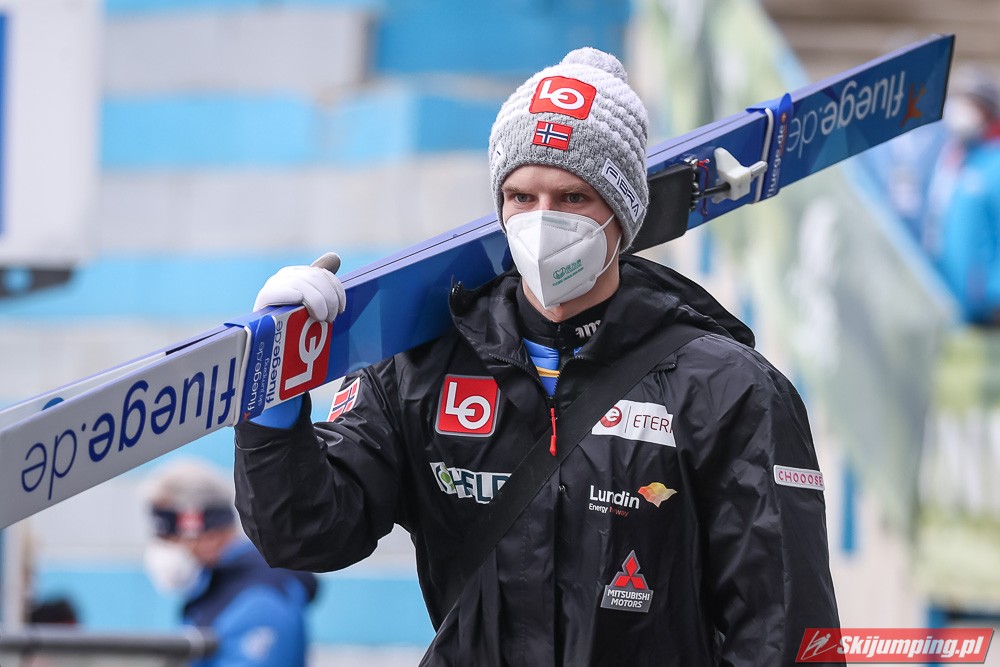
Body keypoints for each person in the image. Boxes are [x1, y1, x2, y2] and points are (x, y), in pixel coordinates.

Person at [235, 48, 840, 665]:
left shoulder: (728, 388)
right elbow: (306, 532)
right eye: (522, 197)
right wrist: (274, 389)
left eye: (573, 197)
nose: (544, 222)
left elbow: (784, 629)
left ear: (623, 211)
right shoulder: (419, 368)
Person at [143, 458, 318, 667]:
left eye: (170, 538)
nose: (164, 550)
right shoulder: (215, 587)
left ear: (207, 532)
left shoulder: (260, 597)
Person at [933, 66, 1000, 325]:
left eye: (971, 102)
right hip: (943, 299)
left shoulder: (994, 163)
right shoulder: (948, 158)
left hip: (986, 310)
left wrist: (994, 295)